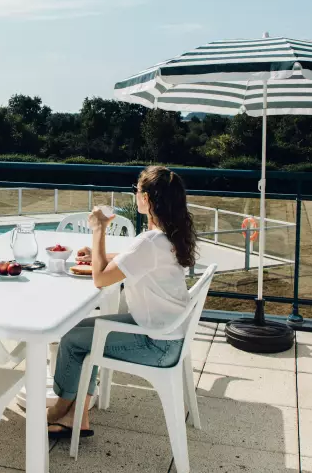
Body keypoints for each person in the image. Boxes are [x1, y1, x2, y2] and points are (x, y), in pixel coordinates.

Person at [46, 165, 198, 440]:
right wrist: (98, 254)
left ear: (146, 198)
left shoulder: (150, 242)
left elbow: (101, 279)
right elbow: (135, 258)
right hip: (166, 332)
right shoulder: (168, 235)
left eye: (136, 191)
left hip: (156, 343)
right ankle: (77, 415)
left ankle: (61, 410)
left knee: (72, 341)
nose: (135, 195)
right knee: (79, 331)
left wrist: (98, 230)